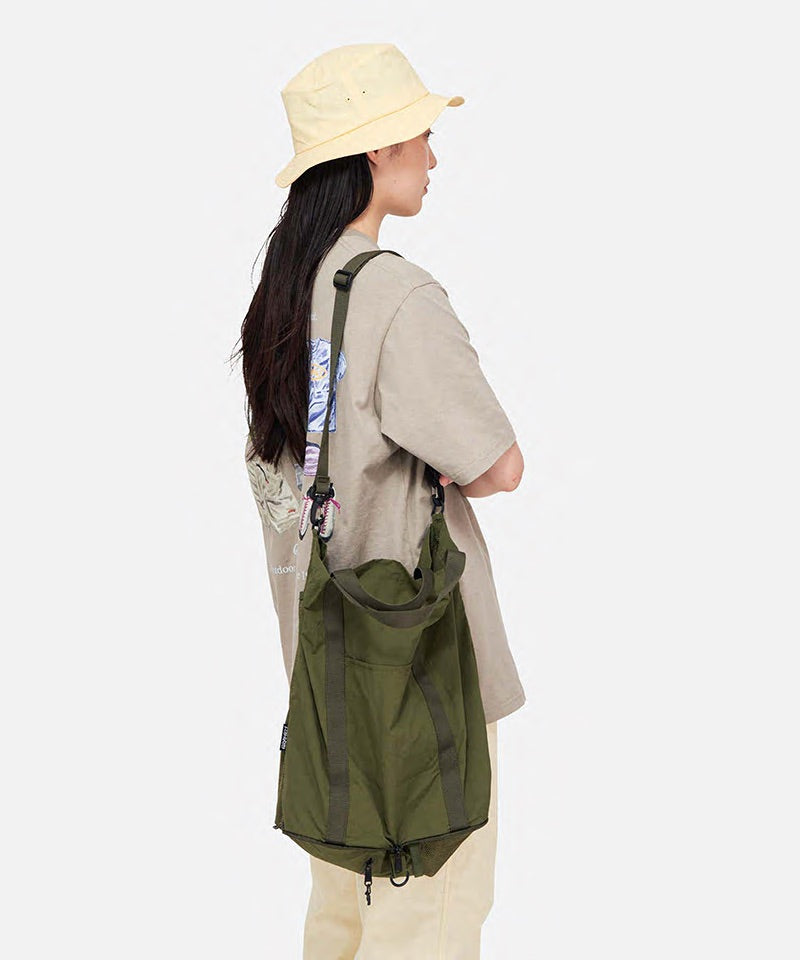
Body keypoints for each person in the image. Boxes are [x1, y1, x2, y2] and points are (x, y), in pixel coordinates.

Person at [232, 42, 526, 959]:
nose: (433, 157)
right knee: (429, 921)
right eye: (421, 136)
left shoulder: (280, 300)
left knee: (342, 924)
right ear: (375, 150)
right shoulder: (392, 293)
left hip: (324, 679)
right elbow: (499, 466)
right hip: (421, 672)